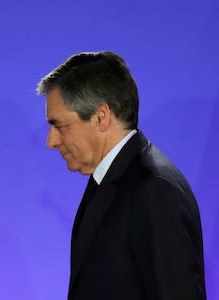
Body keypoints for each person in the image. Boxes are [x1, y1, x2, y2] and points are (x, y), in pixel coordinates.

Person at [36, 51, 206, 300]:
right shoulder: (113, 179)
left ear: (101, 117)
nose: (51, 141)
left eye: (60, 125)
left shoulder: (154, 190)